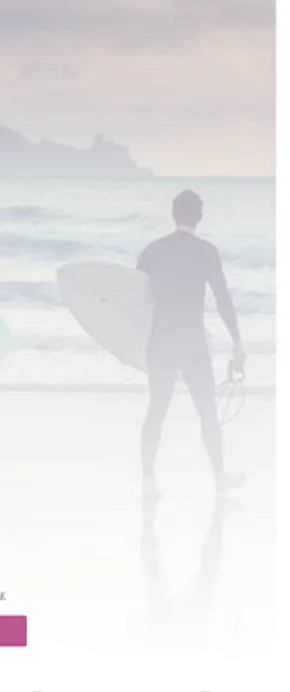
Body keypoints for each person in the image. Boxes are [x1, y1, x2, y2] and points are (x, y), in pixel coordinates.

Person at [137, 190, 245, 497]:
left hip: (160, 340)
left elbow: (135, 300)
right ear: (200, 216)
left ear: (173, 214)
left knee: (156, 409)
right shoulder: (207, 252)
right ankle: (219, 476)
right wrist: (237, 340)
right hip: (191, 341)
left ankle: (148, 480)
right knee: (207, 411)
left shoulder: (152, 252)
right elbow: (222, 299)